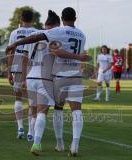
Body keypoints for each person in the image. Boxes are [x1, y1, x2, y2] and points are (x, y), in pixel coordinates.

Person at [8, 7, 87, 157]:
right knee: (77, 111)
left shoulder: (58, 31)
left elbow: (38, 41)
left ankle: (54, 142)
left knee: (54, 109)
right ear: (75, 18)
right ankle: (74, 145)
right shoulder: (82, 35)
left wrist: (15, 44)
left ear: (62, 20)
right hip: (75, 75)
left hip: (58, 75)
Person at [6, 9, 37, 140]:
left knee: (18, 99)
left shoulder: (14, 33)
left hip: (18, 67)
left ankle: (20, 128)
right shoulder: (37, 32)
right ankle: (30, 132)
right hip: (32, 68)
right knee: (32, 102)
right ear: (32, 19)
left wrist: (9, 71)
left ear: (21, 19)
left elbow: (10, 53)